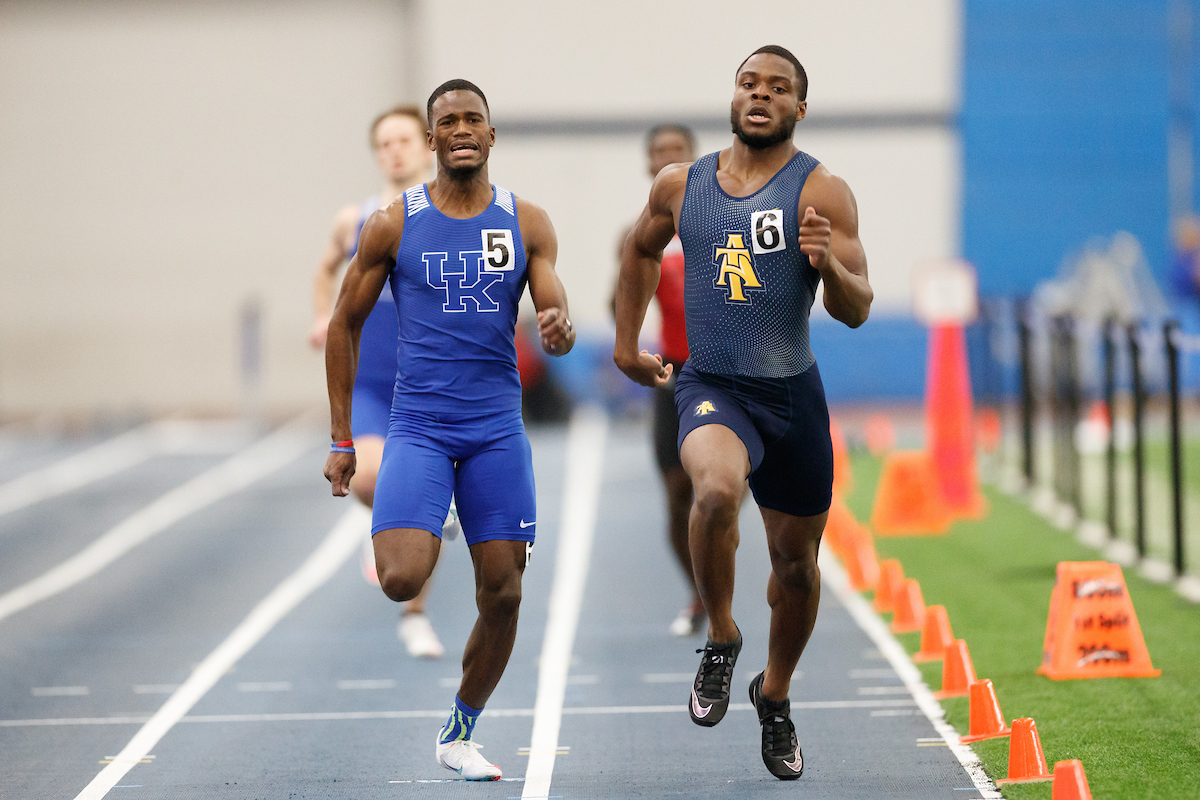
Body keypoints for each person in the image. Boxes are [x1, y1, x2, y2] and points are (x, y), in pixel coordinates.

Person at [613, 45, 872, 780]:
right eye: (749, 84)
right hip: (712, 385)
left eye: (778, 88)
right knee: (716, 491)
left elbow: (858, 309)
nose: (761, 96)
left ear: (799, 107)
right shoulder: (681, 184)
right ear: (733, 98)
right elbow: (638, 251)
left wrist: (830, 268)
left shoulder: (822, 191)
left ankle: (776, 695)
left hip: (790, 393)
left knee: (796, 567)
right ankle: (722, 634)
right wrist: (628, 346)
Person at [324, 79, 574, 782]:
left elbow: (557, 319)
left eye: (475, 120)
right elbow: (343, 324)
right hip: (421, 426)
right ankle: (435, 509)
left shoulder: (527, 223)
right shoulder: (391, 223)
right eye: (449, 122)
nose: (462, 130)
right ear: (433, 141)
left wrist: (557, 329)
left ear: (491, 137)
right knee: (401, 580)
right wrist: (343, 439)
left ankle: (459, 729)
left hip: (496, 430)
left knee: (504, 592)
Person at [309, 105, 450, 660]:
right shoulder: (358, 218)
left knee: (421, 499)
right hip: (370, 380)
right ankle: (390, 519)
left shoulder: (446, 212)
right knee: (371, 482)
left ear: (427, 146)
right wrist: (322, 316)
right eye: (384, 143)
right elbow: (324, 269)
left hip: (428, 377)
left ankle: (415, 616)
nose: (394, 151)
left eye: (404, 140)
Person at [612, 124, 706, 636]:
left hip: (724, 371)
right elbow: (619, 304)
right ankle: (699, 591)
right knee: (676, 494)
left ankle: (720, 594)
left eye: (677, 151)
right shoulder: (641, 231)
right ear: (650, 165)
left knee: (718, 495)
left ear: (694, 158)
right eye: (659, 153)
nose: (667, 159)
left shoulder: (716, 219)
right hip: (672, 373)